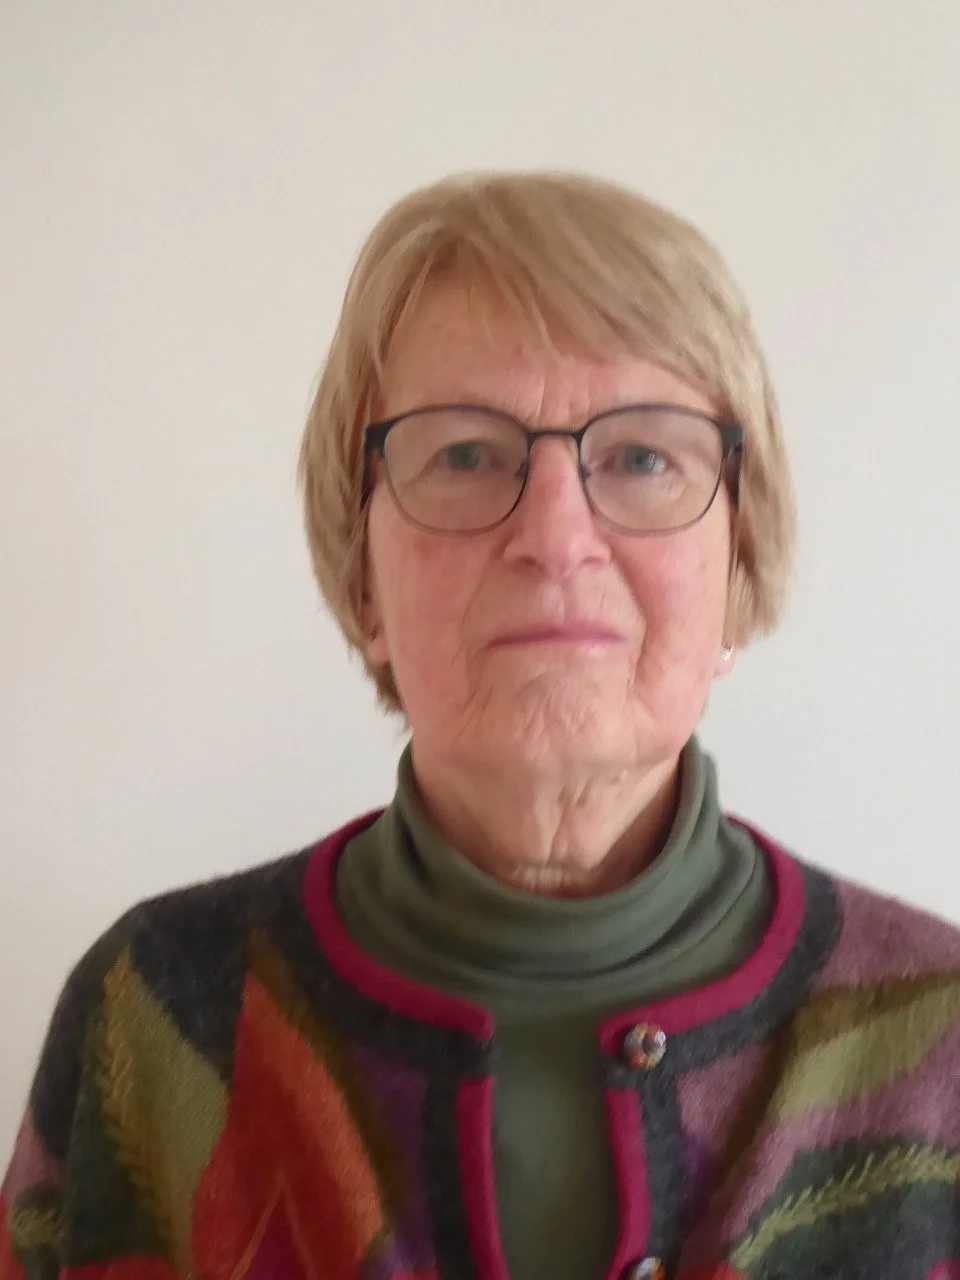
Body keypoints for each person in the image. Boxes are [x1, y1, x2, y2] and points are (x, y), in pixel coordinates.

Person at [3, 171, 960, 1280]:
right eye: (466, 454)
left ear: (737, 572)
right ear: (365, 584)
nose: (556, 535)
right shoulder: (150, 1019)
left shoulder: (941, 1040)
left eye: (644, 457)